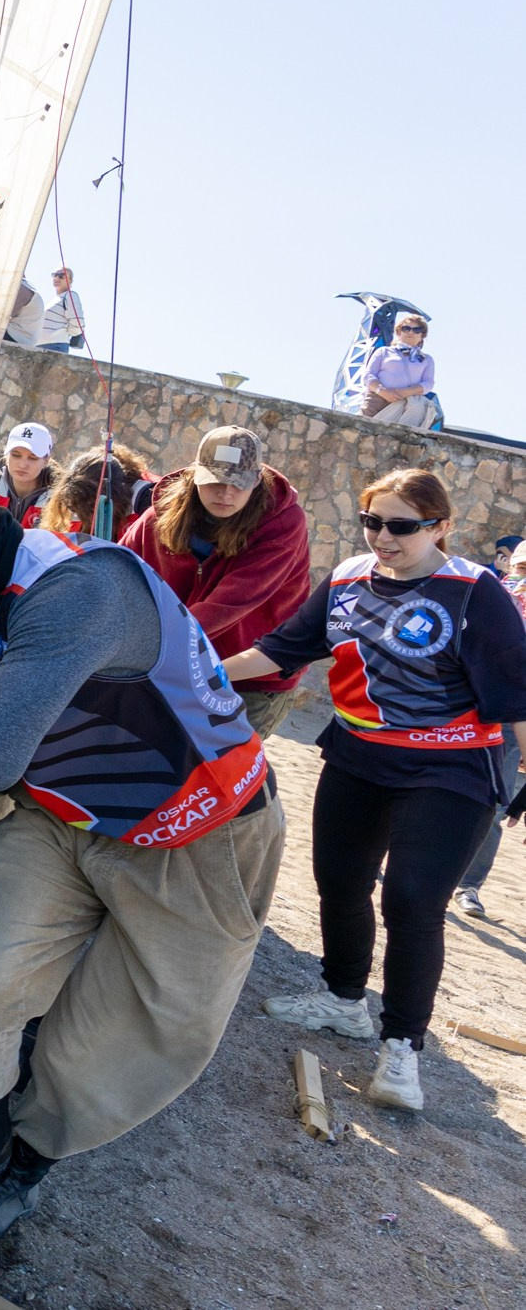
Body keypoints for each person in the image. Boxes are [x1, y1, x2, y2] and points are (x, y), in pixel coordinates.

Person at [0, 403, 281, 1243]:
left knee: (133, 1030)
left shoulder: (75, 590)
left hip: (196, 828)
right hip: (62, 816)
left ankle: (26, 1162)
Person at [230, 469, 526, 1111]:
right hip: (358, 756)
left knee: (414, 901)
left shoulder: (474, 592)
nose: (383, 537)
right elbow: (280, 651)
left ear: (441, 526)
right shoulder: (346, 579)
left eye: (402, 526)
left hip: (449, 768)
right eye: (373, 522)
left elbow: (514, 695)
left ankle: (401, 1050)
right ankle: (343, 1001)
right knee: (339, 882)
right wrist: (190, 671)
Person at [117, 428, 312, 738]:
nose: (226, 493)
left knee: (224, 778)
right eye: (215, 480)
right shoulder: (161, 514)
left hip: (252, 681)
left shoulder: (283, 523)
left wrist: (154, 650)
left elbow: (230, 602)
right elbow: (118, 568)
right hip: (171, 668)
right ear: (194, 475)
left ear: (257, 480)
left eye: (238, 484)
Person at [456, 550, 526, 916]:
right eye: (522, 569)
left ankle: (468, 885)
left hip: (515, 721)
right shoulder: (486, 598)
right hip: (463, 705)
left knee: (494, 803)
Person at [35, 443, 153, 540]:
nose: (90, 517)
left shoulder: (146, 503)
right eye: (75, 508)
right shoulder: (70, 501)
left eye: (92, 507)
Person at [358, 314, 436, 428]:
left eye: (417, 330)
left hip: (407, 403)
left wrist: (405, 392)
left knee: (420, 405)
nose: (411, 332)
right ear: (399, 332)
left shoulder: (426, 359)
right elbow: (368, 376)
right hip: (378, 401)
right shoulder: (383, 351)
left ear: (422, 335)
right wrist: (383, 391)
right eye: (406, 328)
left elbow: (428, 383)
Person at [0, 422, 58, 527]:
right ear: (6, 455)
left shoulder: (57, 498)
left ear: (46, 461)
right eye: (16, 455)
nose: (23, 465)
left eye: (32, 458)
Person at [35, 267, 85, 353]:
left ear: (70, 280)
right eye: (55, 275)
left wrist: (62, 334)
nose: (57, 278)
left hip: (55, 345)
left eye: (62, 276)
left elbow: (78, 323)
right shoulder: (55, 299)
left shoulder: (70, 295)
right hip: (40, 345)